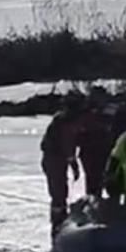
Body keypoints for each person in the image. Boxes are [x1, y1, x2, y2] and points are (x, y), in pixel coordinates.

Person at [40, 90, 85, 237]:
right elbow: (67, 143)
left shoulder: (64, 119)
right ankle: (57, 224)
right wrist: (73, 164)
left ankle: (59, 219)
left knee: (60, 191)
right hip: (53, 159)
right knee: (58, 192)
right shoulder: (65, 121)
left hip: (56, 158)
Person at [77, 86, 113, 200]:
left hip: (105, 150)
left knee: (106, 178)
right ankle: (93, 201)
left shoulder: (111, 111)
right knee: (92, 179)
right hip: (90, 151)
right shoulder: (84, 112)